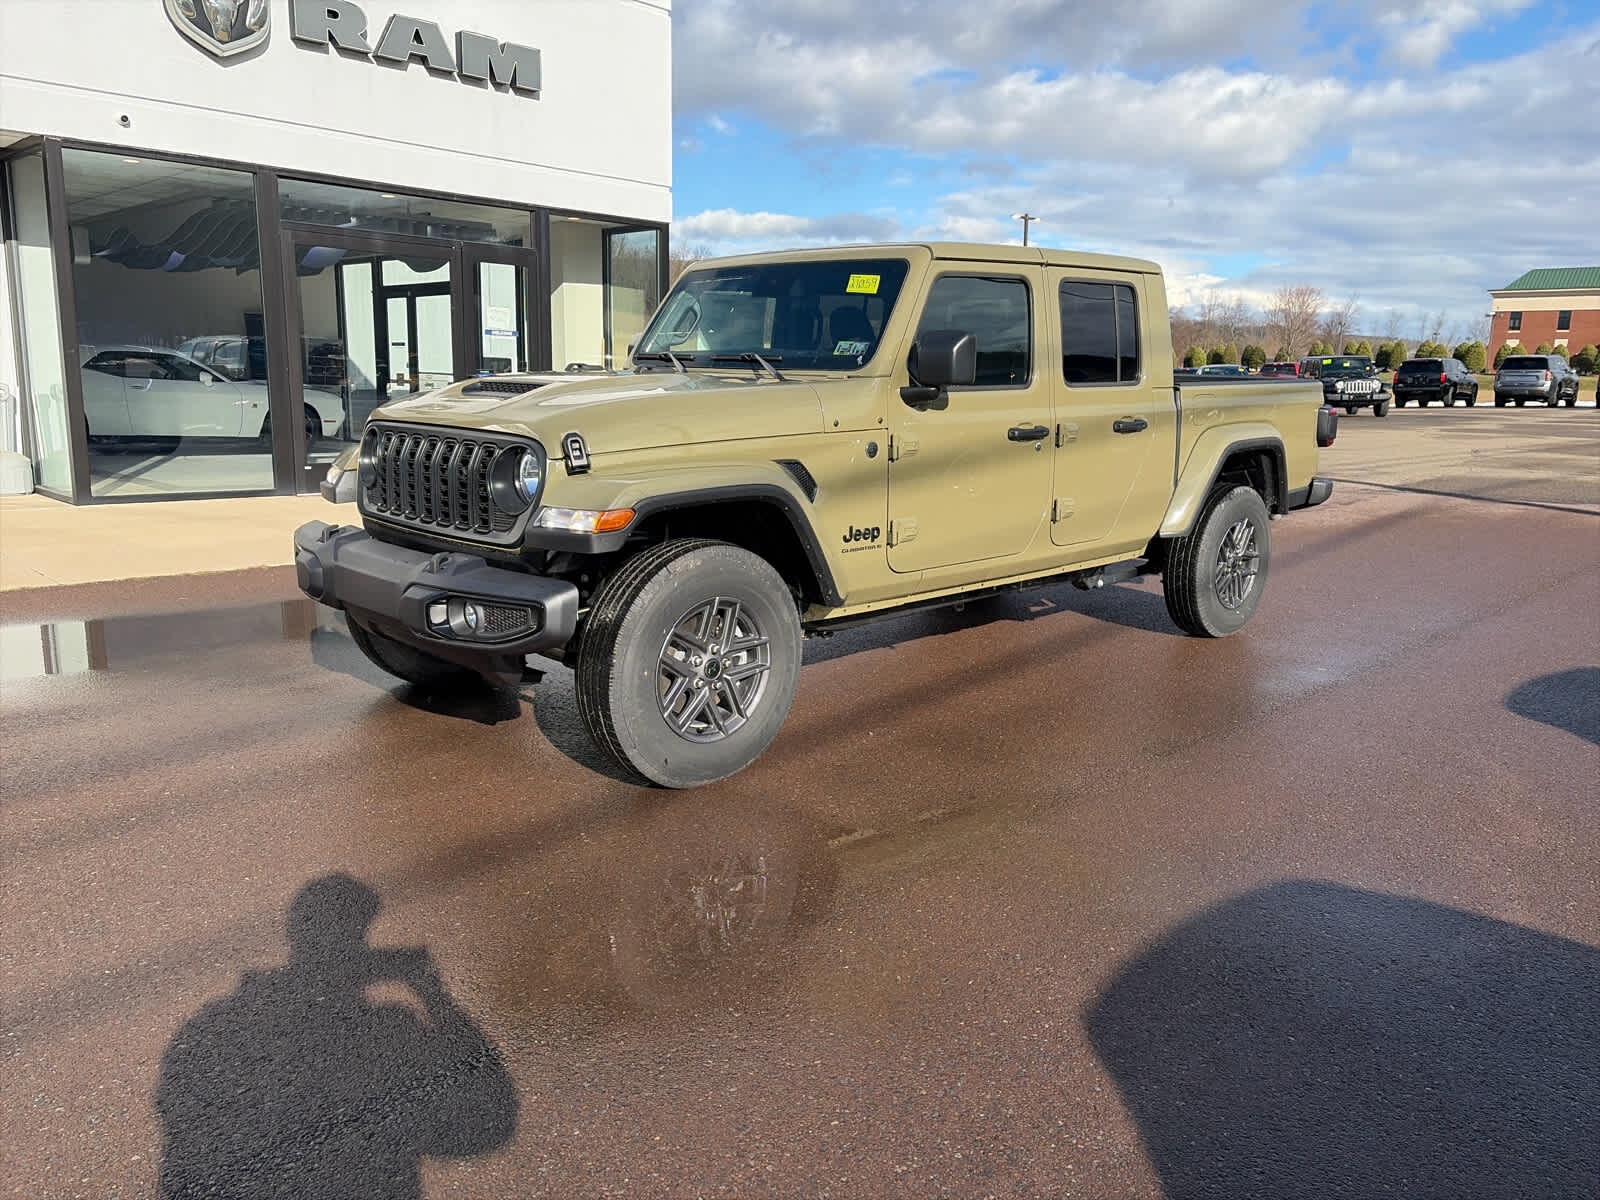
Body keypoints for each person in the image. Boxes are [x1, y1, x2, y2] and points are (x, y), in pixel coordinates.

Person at [157, 874, 517, 1199]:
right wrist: (433, 994)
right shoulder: (390, 1029)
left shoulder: (213, 1023)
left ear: (293, 934)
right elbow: (488, 1121)